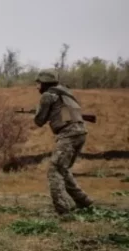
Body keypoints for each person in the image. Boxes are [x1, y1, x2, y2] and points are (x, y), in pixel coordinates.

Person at [33, 70, 93, 215]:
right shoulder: (65, 92)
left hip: (69, 135)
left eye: (39, 83)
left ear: (45, 83)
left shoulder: (48, 95)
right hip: (80, 133)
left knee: (54, 171)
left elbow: (39, 121)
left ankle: (62, 209)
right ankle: (83, 201)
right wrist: (53, 114)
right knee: (63, 169)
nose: (37, 87)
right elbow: (67, 115)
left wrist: (39, 111)